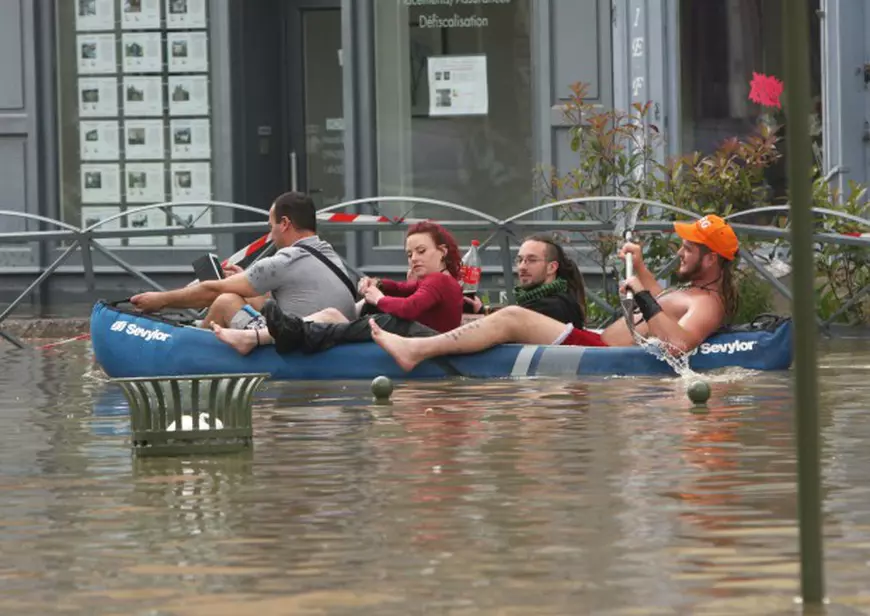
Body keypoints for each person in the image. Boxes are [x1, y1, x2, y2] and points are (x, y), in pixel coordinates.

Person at [369, 215, 741, 372]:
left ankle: (416, 350)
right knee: (506, 316)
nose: (679, 252)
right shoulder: (694, 291)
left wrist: (642, 293)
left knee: (512, 317)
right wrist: (640, 267)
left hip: (602, 352)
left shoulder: (708, 303)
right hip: (597, 340)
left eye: (689, 249)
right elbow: (664, 305)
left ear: (711, 259)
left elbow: (678, 343)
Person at [212, 221, 465, 355]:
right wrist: (377, 284)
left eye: (421, 252)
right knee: (349, 310)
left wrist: (377, 297)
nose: (414, 259)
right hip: (417, 334)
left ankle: (257, 337)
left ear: (442, 252)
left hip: (418, 336)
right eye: (409, 254)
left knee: (333, 316)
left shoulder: (439, 281)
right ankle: (285, 328)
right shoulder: (440, 281)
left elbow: (410, 307)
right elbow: (403, 288)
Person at [130, 191, 357, 328]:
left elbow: (212, 290)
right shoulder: (328, 253)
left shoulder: (283, 261)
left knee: (225, 300)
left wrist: (161, 300)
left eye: (272, 226)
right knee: (249, 298)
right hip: (331, 334)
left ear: (285, 224)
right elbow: (294, 295)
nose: (271, 234)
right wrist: (245, 280)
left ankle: (197, 344)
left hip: (305, 341)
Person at [463, 234, 587, 328]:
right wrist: (481, 310)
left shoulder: (552, 306)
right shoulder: (551, 301)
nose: (522, 267)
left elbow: (505, 327)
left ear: (552, 267)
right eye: (520, 260)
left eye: (531, 260)